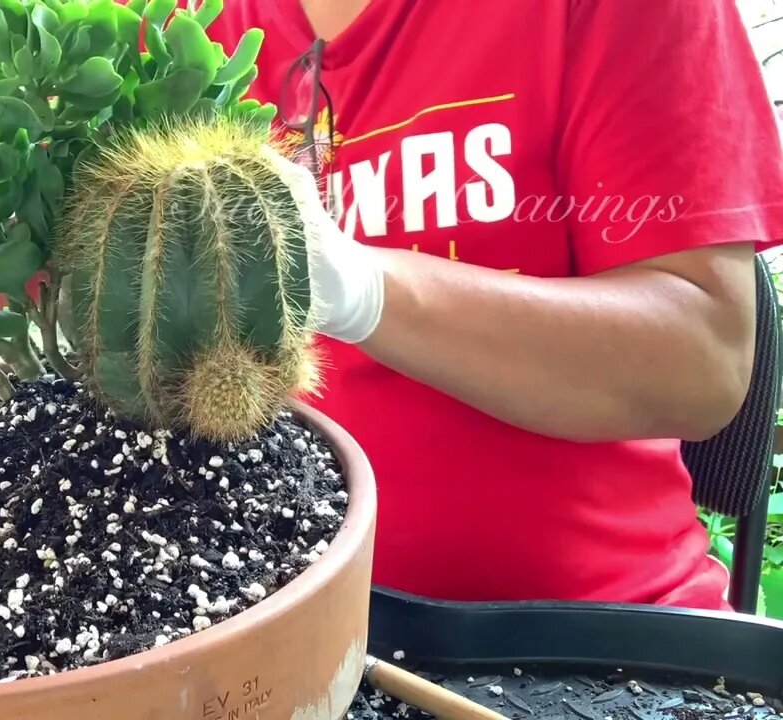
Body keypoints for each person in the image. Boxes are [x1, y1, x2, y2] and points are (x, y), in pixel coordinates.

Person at [193, 0, 783, 610]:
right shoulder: (174, 25)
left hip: (587, 633)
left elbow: (704, 364)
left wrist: (368, 291)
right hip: (260, 614)